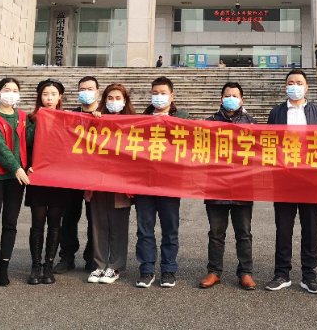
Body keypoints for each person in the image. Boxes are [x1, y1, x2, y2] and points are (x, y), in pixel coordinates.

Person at [265, 70, 317, 294]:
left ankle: (309, 275)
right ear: (285, 87)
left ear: (306, 87)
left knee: (310, 228)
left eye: (299, 82)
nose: (295, 86)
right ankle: (282, 273)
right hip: (284, 178)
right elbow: (269, 143)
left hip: (310, 179)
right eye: (291, 82)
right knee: (283, 228)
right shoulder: (277, 112)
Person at [199, 82, 258, 291]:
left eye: (235, 95)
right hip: (216, 185)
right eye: (227, 95)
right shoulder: (210, 123)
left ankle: (246, 272)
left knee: (244, 233)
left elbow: (259, 154)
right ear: (221, 99)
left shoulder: (252, 124)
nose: (231, 98)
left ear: (241, 100)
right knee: (216, 233)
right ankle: (214, 271)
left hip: (243, 185)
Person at [134, 76, 191, 288]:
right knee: (144, 229)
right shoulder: (141, 120)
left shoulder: (182, 118)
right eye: (155, 93)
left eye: (163, 93)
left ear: (172, 96)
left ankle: (168, 270)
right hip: (144, 183)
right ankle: (146, 269)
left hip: (170, 183)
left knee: (170, 229)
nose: (159, 97)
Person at [25, 79, 76, 285]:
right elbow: (25, 143)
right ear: (40, 96)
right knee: (37, 223)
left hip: (59, 177)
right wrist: (39, 119)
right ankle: (35, 266)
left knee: (55, 223)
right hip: (37, 176)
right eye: (45, 94)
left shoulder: (67, 118)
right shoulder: (30, 118)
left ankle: (48, 265)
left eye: (53, 94)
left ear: (60, 97)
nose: (49, 98)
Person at [0, 78, 31, 289]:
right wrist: (17, 168)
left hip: (16, 179)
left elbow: (33, 140)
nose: (11, 93)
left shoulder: (23, 117)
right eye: (7, 89)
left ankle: (4, 267)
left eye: (15, 90)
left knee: (10, 223)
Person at [87, 84, 134, 285]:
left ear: (125, 101)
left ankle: (114, 266)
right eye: (110, 98)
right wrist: (94, 120)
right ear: (104, 100)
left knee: (118, 227)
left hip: (121, 183)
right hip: (97, 181)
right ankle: (99, 264)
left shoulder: (134, 123)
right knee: (98, 225)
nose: (114, 102)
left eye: (118, 98)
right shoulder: (97, 120)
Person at [55, 76, 101, 274]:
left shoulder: (106, 116)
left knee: (95, 219)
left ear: (97, 92)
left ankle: (92, 257)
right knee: (69, 217)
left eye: (90, 89)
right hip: (72, 175)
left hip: (96, 175)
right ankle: (67, 256)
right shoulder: (70, 116)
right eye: (82, 89)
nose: (86, 92)